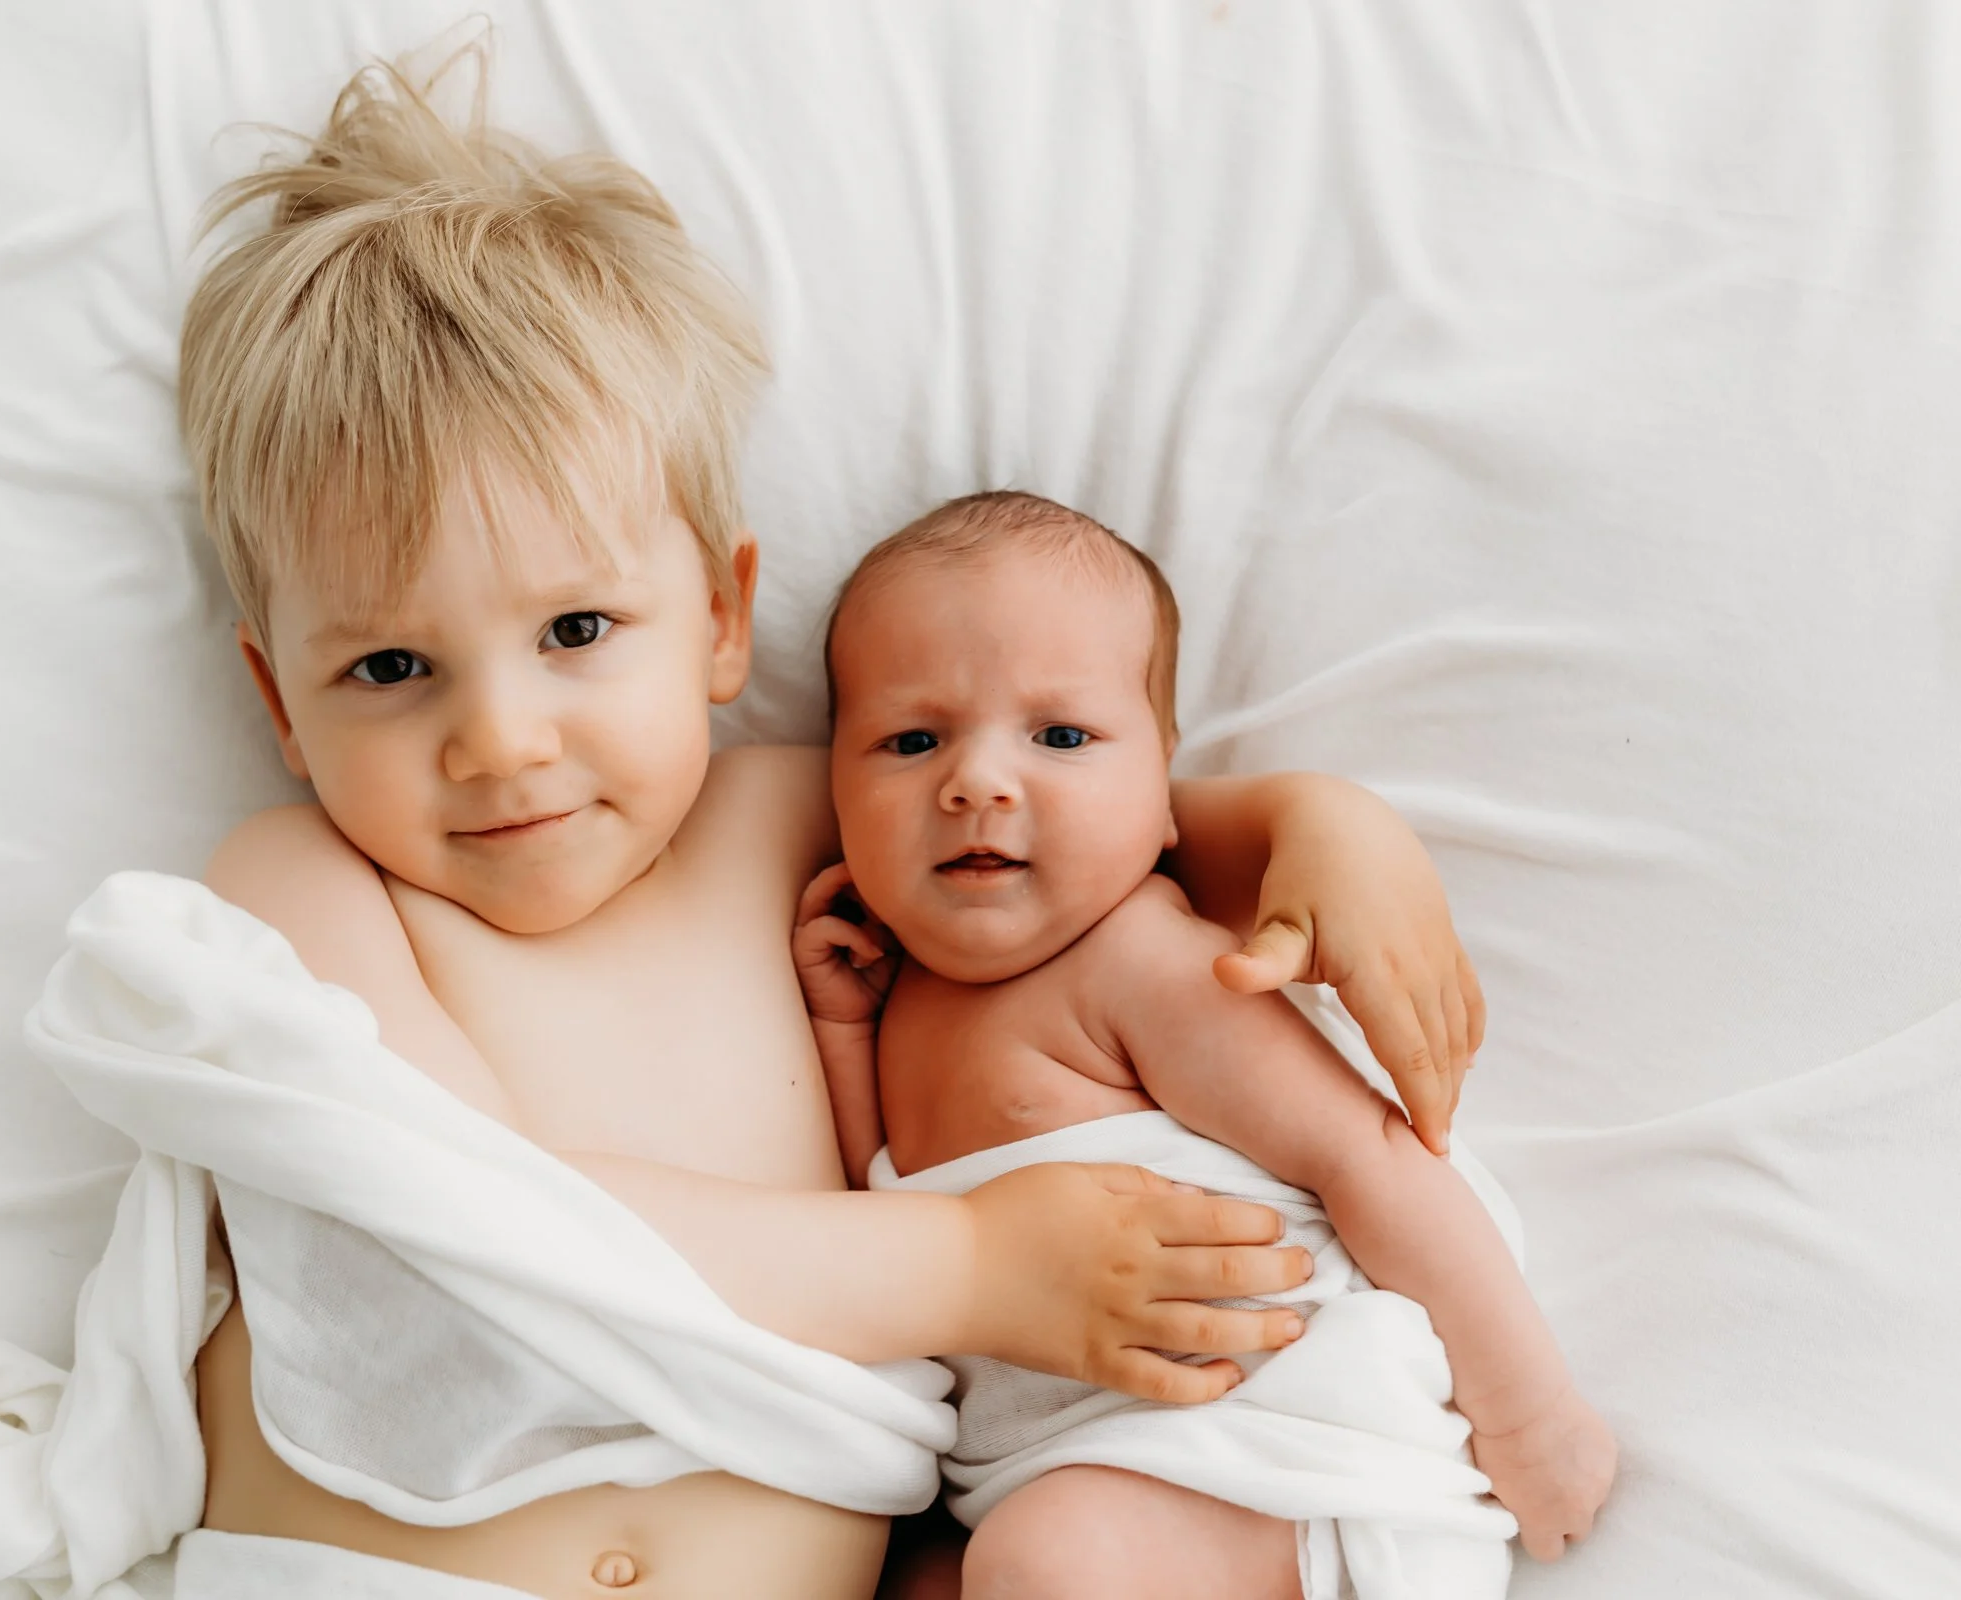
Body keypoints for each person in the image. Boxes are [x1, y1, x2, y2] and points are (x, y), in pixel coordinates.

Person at [174, 44, 1490, 1599]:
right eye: (390, 668)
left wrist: (1312, 823)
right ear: (280, 701)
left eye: (579, 630)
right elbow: (473, 1224)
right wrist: (982, 1266)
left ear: (724, 618)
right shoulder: (300, 890)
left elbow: (1086, 824)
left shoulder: (809, 813)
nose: (500, 742)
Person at [794, 492, 1615, 1598]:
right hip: (1073, 1473)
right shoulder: (896, 998)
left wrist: (1530, 1414)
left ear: (1165, 792)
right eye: (911, 739)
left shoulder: (1144, 959)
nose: (977, 779)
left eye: (1062, 736)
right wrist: (844, 1036)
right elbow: (886, 1219)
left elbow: (1366, 1154)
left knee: (1040, 1564)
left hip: (1282, 1460)